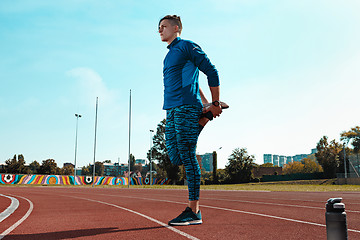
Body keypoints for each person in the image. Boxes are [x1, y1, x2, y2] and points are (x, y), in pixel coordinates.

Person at [158, 15, 224, 226]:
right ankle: (205, 118)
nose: (160, 30)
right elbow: (192, 79)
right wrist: (207, 105)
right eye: (158, 27)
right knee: (175, 156)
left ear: (176, 28)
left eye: (164, 26)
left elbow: (211, 71)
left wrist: (215, 102)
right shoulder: (168, 56)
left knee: (187, 156)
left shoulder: (187, 46)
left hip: (187, 106)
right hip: (171, 109)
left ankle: (193, 211)